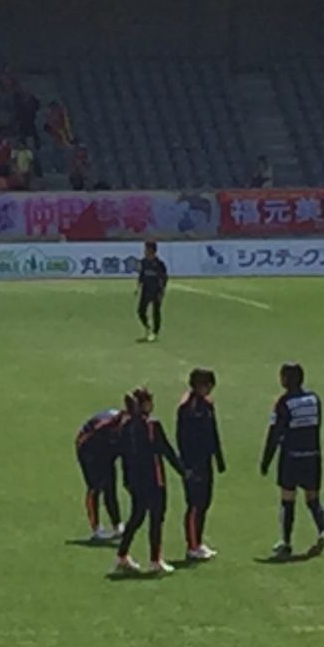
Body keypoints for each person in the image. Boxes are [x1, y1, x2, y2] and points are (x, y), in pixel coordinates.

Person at [260, 362, 324, 559]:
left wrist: (266, 461)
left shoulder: (284, 402)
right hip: (313, 456)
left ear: (284, 380)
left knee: (287, 500)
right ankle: (322, 531)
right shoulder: (313, 399)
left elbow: (275, 433)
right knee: (313, 498)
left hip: (291, 457)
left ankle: (286, 542)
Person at [113, 388, 184, 576]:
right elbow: (167, 451)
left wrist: (127, 480)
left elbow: (122, 454)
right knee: (156, 518)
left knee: (136, 517)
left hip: (135, 480)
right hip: (154, 479)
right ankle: (155, 560)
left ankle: (122, 555)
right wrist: (183, 472)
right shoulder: (152, 425)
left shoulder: (126, 425)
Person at [176, 368, 226, 561]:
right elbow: (182, 438)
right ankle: (191, 546)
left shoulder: (207, 404)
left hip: (205, 461)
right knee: (194, 504)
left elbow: (213, 432)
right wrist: (186, 466)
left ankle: (198, 541)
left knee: (205, 502)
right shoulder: (187, 407)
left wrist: (219, 458)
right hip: (192, 463)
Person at [75, 407, 125, 542]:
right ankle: (96, 528)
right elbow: (85, 440)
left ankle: (117, 525)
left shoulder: (128, 429)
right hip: (88, 450)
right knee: (95, 487)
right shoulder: (102, 428)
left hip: (107, 450)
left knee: (110, 487)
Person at [137, 241, 168, 342]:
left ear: (151, 250)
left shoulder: (159, 264)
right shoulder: (144, 262)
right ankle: (148, 327)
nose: (144, 251)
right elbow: (141, 275)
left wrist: (162, 290)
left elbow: (164, 278)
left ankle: (155, 332)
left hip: (156, 291)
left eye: (146, 249)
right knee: (140, 311)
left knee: (156, 312)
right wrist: (138, 287)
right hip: (145, 290)